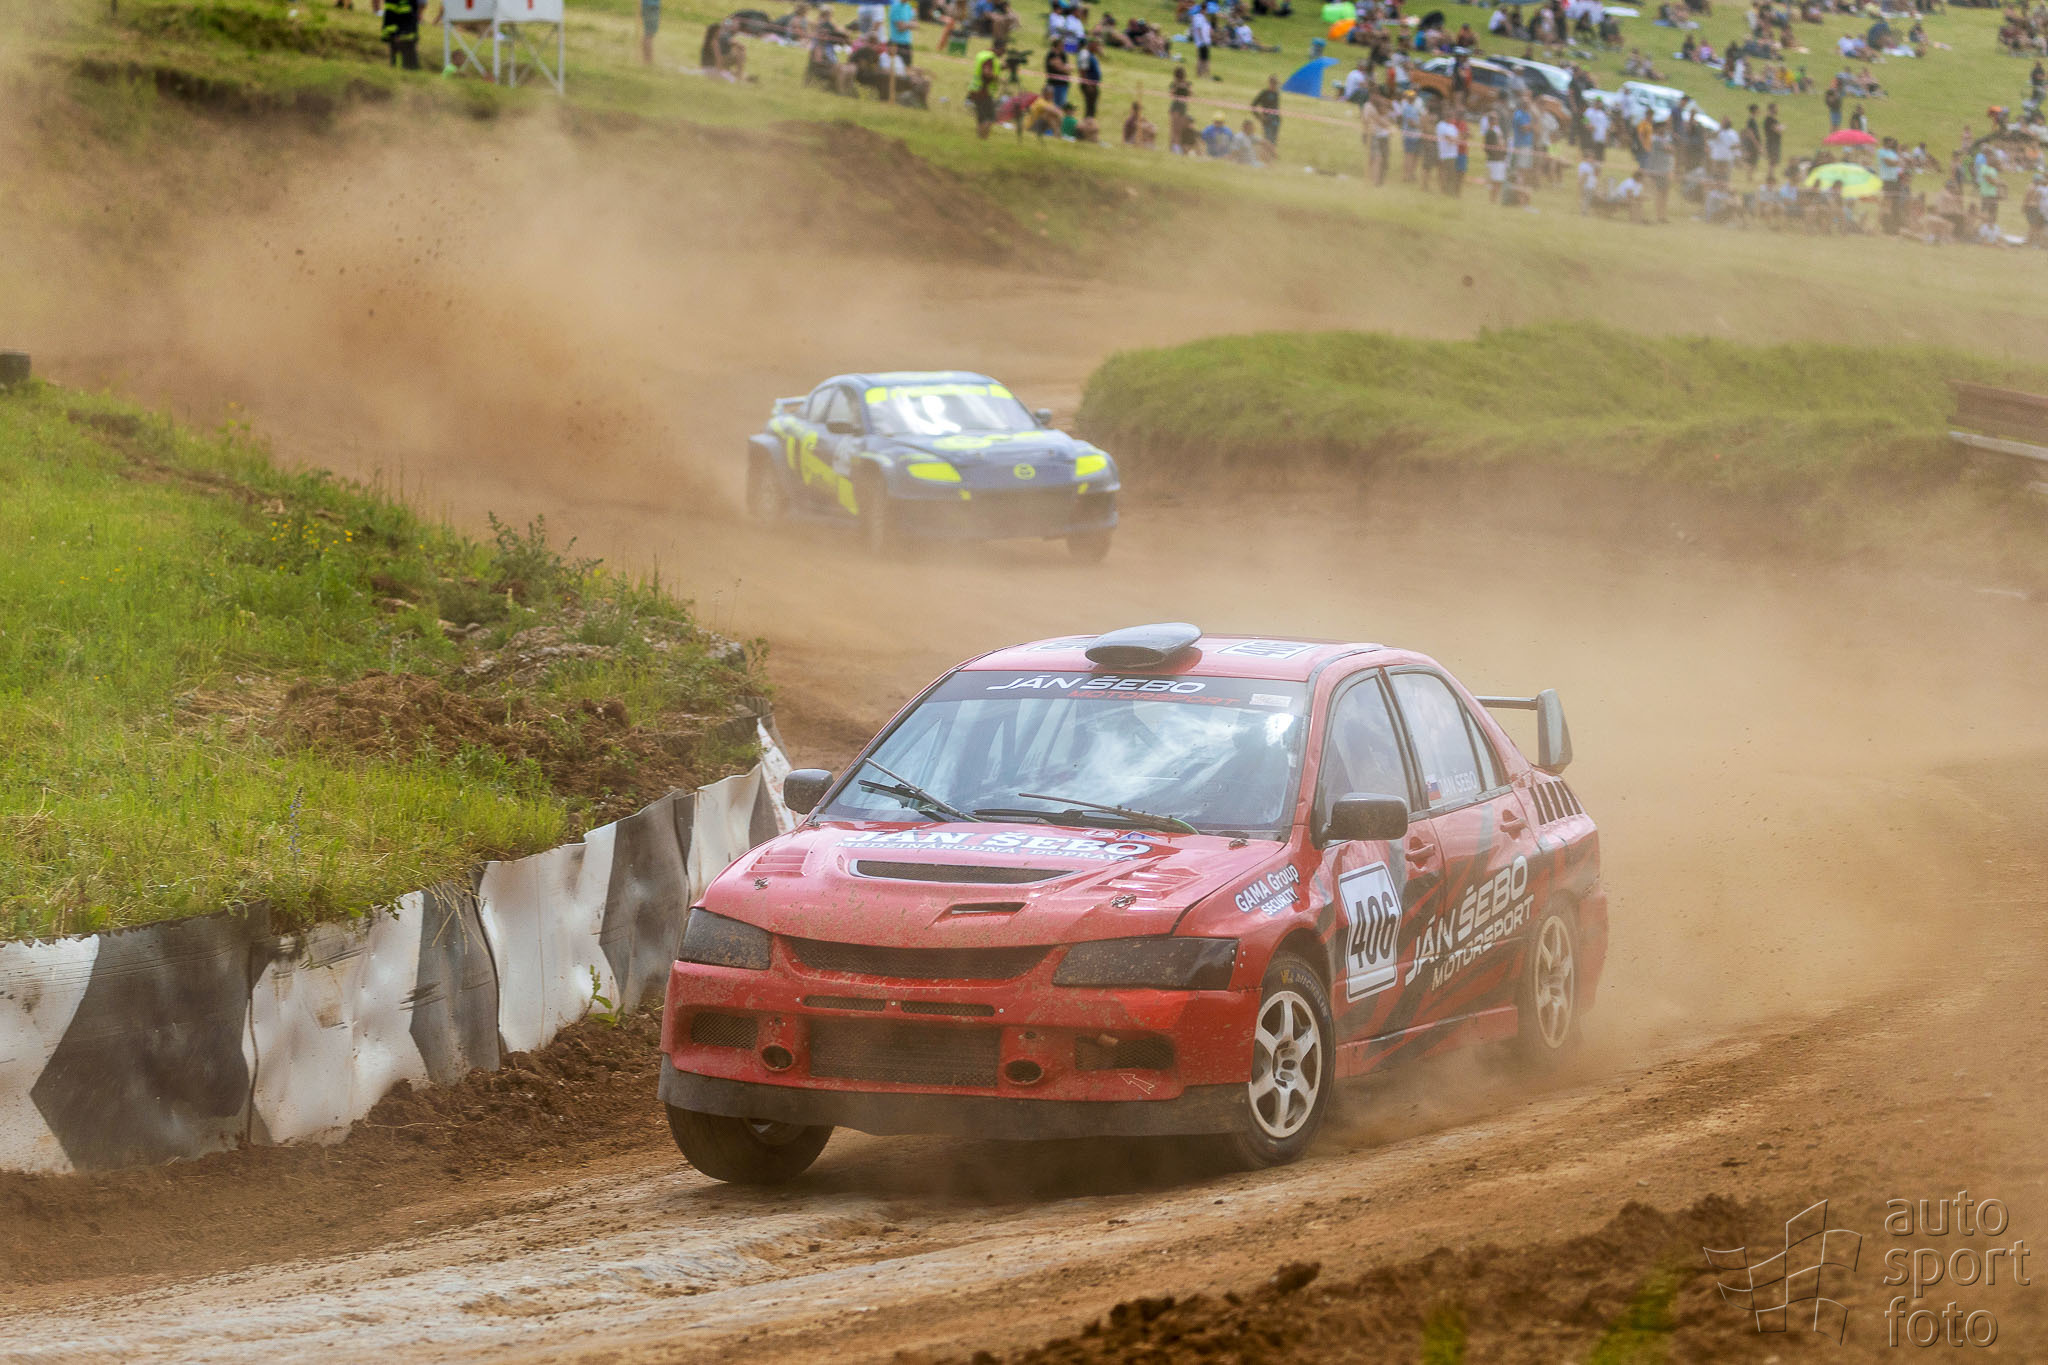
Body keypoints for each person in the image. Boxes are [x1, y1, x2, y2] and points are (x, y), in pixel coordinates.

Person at [1362, 92, 1394, 184]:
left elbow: (1387, 123)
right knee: (1376, 158)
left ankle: (1378, 179)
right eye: (1382, 106)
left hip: (1383, 138)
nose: (1385, 108)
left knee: (1383, 160)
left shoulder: (1386, 114)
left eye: (1385, 106)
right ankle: (1373, 179)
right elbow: (1382, 123)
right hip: (1375, 137)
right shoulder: (1373, 112)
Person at [969, 46, 1001, 135]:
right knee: (990, 117)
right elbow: (986, 72)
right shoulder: (990, 59)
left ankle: (980, 137)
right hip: (983, 92)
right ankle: (982, 135)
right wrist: (997, 78)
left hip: (975, 90)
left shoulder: (982, 55)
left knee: (982, 118)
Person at [381, 0, 422, 69]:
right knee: (404, 67)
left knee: (405, 67)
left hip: (403, 35)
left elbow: (390, 15)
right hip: (402, 35)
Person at [1252, 75, 1282, 146]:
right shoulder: (1264, 93)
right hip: (1267, 120)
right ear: (1270, 83)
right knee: (1267, 140)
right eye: (1274, 84)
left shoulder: (1276, 94)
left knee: (1273, 140)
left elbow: (1275, 107)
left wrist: (1278, 118)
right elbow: (1253, 105)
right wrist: (1259, 117)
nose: (1276, 86)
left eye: (1277, 84)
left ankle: (1271, 151)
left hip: (1275, 120)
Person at [1190, 4, 1215, 79]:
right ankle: (1204, 74)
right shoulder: (1199, 17)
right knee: (1204, 59)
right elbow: (1199, 29)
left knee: (1202, 58)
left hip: (1203, 41)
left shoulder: (1202, 18)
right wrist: (1203, 40)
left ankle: (1201, 74)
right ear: (1203, 10)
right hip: (1202, 42)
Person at [641, 0, 662, 64]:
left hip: (651, 6)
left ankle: (647, 59)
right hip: (651, 6)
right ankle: (648, 60)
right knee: (649, 34)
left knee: (649, 34)